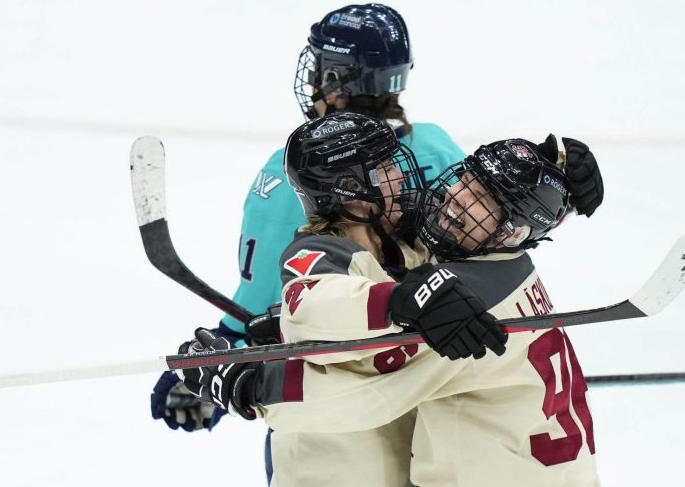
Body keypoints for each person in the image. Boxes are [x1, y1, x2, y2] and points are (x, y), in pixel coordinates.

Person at [179, 118, 603, 486]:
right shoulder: (318, 254)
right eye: (388, 170)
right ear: (352, 190)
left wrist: (251, 384)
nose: (406, 177)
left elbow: (373, 375)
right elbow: (316, 306)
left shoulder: (438, 265)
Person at [150, 2, 466, 437]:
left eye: (320, 67)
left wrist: (217, 365)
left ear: (335, 80)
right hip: (439, 393)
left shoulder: (295, 175)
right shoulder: (438, 149)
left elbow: (262, 303)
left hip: (333, 401)